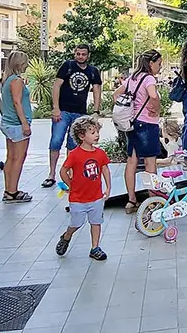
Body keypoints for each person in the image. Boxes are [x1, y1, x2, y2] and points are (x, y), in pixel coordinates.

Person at [43, 45, 102, 189]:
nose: (80, 56)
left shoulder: (93, 71)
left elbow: (97, 90)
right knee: (56, 141)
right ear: (74, 54)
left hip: (80, 112)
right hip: (63, 111)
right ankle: (51, 174)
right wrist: (55, 108)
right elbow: (56, 86)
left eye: (83, 54)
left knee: (73, 144)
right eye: (78, 54)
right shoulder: (67, 66)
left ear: (88, 56)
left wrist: (96, 111)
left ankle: (70, 174)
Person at [113, 49, 163, 214]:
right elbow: (152, 95)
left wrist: (131, 110)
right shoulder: (149, 78)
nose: (160, 67)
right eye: (159, 64)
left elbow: (115, 95)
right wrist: (155, 108)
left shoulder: (132, 78)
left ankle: (131, 199)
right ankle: (152, 199)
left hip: (133, 125)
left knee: (131, 162)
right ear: (151, 63)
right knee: (150, 164)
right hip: (148, 126)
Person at [55, 116, 111, 261]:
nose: (96, 135)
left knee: (96, 222)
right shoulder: (74, 155)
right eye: (92, 132)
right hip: (78, 198)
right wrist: (71, 184)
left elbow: (105, 169)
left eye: (97, 132)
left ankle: (95, 248)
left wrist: (108, 187)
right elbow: (63, 171)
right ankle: (67, 236)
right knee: (76, 223)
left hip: (96, 197)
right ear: (81, 136)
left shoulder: (100, 153)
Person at [0, 51, 33, 203]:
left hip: (8, 122)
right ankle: (13, 191)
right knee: (19, 158)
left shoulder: (6, 80)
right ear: (20, 63)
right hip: (17, 124)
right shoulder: (17, 81)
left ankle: (8, 189)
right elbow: (17, 102)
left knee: (10, 158)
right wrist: (24, 123)